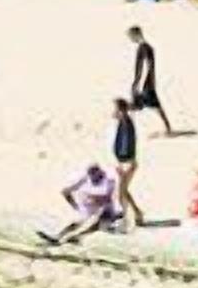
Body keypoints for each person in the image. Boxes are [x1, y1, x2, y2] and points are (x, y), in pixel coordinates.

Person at [44, 163, 124, 245]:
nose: (94, 177)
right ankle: (58, 236)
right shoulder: (86, 179)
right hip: (89, 205)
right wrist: (75, 206)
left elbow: (107, 195)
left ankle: (79, 237)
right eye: (92, 174)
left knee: (99, 224)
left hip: (105, 205)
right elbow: (66, 192)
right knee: (78, 221)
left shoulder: (109, 179)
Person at [126, 25, 175, 136]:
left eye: (131, 36)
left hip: (145, 85)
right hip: (146, 84)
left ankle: (168, 129)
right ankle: (168, 128)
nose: (131, 39)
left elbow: (146, 67)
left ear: (136, 35)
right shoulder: (146, 47)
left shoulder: (144, 48)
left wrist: (139, 84)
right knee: (147, 106)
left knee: (147, 106)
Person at [107, 96, 144, 226]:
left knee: (121, 191)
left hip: (127, 162)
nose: (113, 112)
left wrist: (122, 164)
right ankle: (136, 214)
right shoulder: (123, 122)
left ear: (120, 110)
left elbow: (126, 145)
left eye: (115, 109)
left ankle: (126, 217)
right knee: (123, 190)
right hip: (125, 161)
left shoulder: (126, 124)